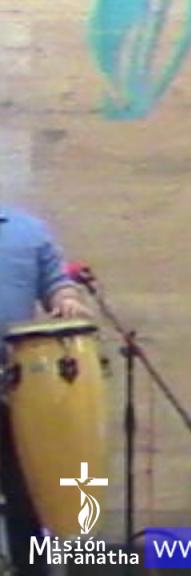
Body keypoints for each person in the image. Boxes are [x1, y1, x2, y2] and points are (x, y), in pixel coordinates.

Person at [1, 203, 89, 576]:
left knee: (25, 490)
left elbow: (56, 282)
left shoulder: (28, 231)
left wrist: (66, 299)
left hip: (16, 386)